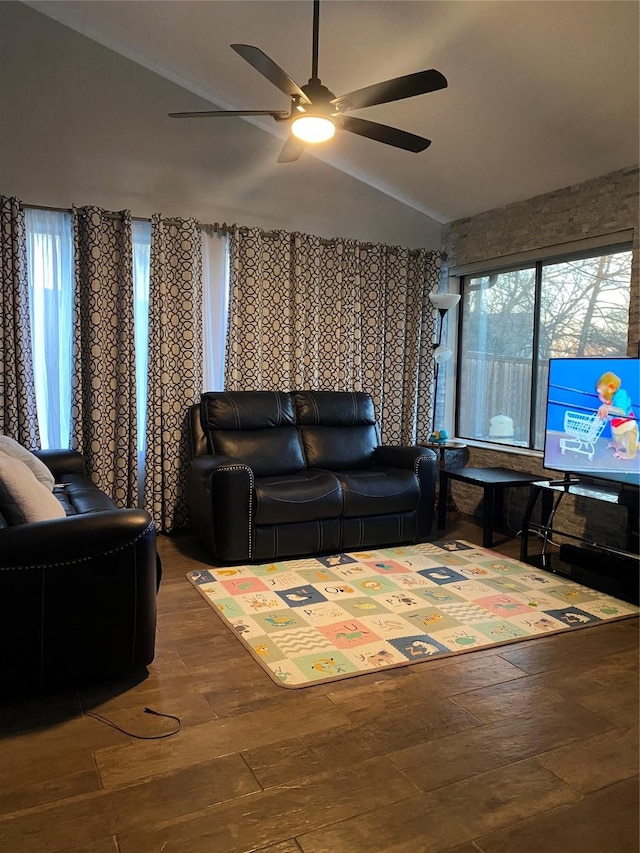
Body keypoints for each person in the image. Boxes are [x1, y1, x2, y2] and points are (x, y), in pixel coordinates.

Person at [596, 371, 638, 460]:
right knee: (617, 435)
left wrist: (607, 407)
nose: (599, 397)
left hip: (628, 427)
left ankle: (630, 454)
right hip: (617, 425)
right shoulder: (611, 397)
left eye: (601, 394)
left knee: (629, 437)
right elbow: (611, 415)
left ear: (611, 388)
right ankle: (618, 444)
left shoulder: (621, 395)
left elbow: (621, 413)